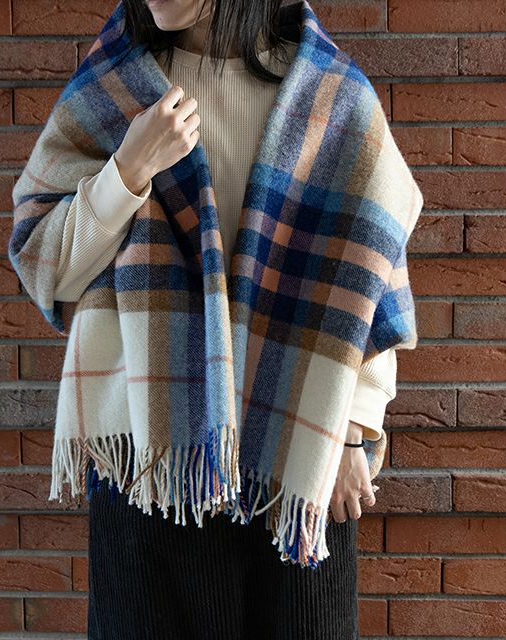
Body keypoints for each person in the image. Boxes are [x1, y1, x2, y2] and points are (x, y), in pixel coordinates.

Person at [45, 1, 398, 638]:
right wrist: (129, 168)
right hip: (152, 456)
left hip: (296, 447)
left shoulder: (332, 94)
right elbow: (47, 268)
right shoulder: (112, 90)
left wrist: (353, 428)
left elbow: (373, 268)